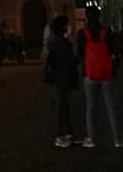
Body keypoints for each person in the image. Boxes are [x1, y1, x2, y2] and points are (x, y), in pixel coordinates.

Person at [78, 7, 123, 148]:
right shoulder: (106, 31)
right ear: (99, 16)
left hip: (89, 74)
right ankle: (117, 140)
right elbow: (114, 50)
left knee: (91, 107)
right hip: (106, 73)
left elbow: (79, 53)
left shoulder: (82, 33)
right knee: (111, 106)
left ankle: (91, 138)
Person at [44, 15, 79, 148]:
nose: (70, 26)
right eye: (68, 24)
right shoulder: (62, 44)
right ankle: (59, 136)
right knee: (61, 106)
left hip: (60, 78)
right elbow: (67, 61)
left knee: (65, 106)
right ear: (64, 27)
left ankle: (68, 133)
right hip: (62, 78)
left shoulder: (56, 42)